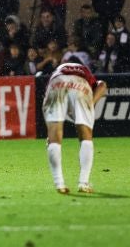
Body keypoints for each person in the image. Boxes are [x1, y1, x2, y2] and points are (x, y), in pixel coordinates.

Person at [42, 62, 108, 194]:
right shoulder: (86, 73)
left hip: (57, 83)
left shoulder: (57, 72)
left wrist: (51, 133)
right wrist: (91, 103)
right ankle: (83, 183)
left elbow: (48, 99)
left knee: (54, 140)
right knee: (86, 137)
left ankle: (59, 183)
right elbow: (102, 85)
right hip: (81, 84)